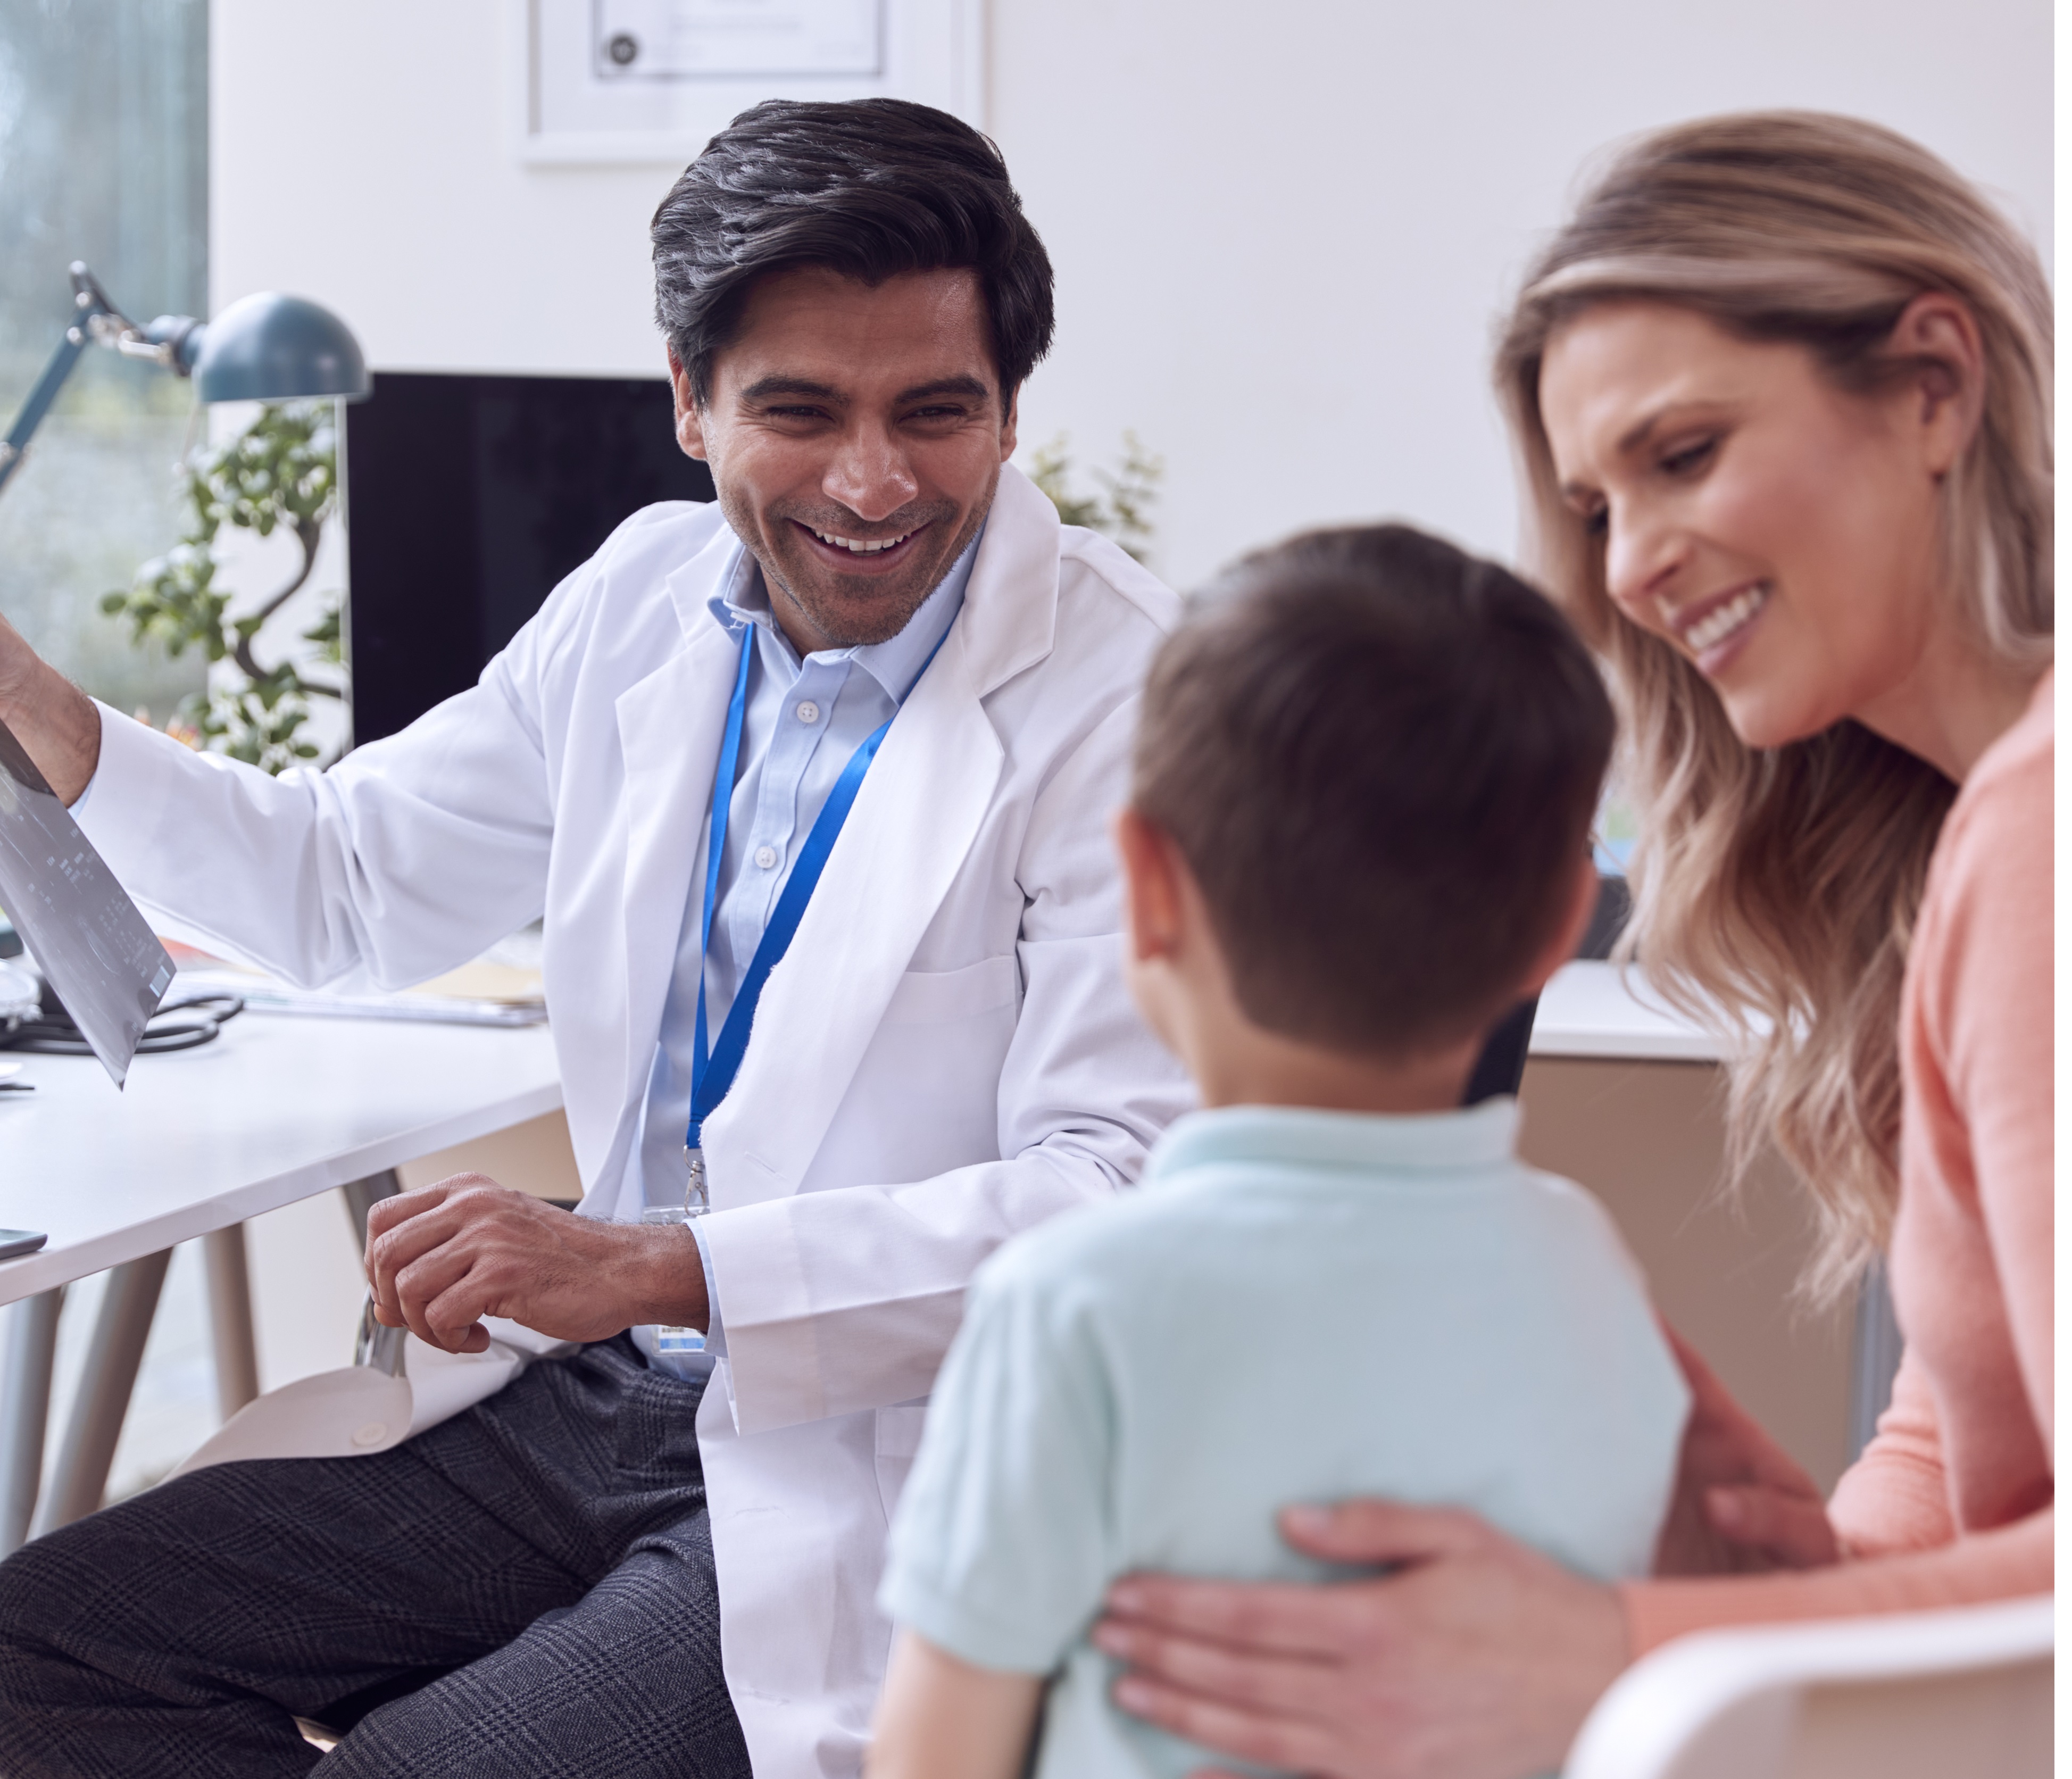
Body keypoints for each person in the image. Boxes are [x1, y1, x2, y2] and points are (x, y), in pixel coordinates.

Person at [0, 98, 1189, 1778]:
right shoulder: (642, 598)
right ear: (691, 405)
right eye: (801, 410)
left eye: (939, 413)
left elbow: (1117, 1202)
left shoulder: (1136, 695)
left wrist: (657, 1262)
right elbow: (344, 888)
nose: (875, 482)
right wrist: (29, 703)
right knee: (34, 1665)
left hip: (897, 1442)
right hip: (601, 1398)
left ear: (1009, 412)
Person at [1092, 112, 2052, 1779]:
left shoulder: (2040, 838)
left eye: (1682, 456)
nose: (1630, 568)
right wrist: (1798, 1562)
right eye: (1595, 506)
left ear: (1934, 387)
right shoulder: (1964, 837)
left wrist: (1612, 1651)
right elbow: (1978, 1452)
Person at [866, 525, 1691, 1779]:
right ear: (1558, 936)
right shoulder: (1591, 1268)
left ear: (1144, 884)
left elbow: (935, 1756)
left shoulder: (1070, 1305)